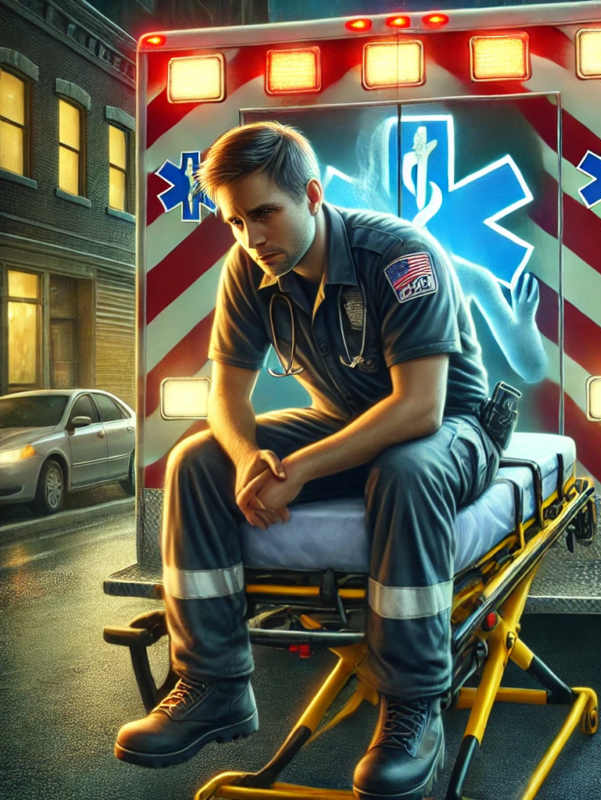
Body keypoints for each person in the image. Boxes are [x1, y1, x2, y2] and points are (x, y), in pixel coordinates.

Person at [114, 121, 500, 800]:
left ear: (313, 195)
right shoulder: (250, 267)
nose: (250, 237)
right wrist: (244, 461)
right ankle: (214, 684)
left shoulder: (399, 256)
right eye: (235, 222)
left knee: (403, 471)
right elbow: (225, 397)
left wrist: (304, 468)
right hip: (347, 422)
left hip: (451, 429)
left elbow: (419, 410)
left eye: (264, 213)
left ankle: (413, 706)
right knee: (195, 461)